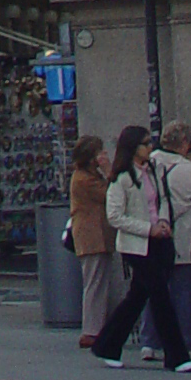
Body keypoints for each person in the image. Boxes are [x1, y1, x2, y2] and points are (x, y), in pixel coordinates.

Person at [91, 124, 191, 372]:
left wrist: (164, 222)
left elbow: (164, 199)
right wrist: (148, 229)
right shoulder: (122, 179)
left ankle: (107, 344)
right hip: (137, 246)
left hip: (158, 241)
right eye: (145, 144)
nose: (150, 148)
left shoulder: (156, 171)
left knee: (137, 297)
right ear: (133, 148)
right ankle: (176, 356)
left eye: (151, 143)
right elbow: (115, 216)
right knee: (160, 297)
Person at [155, 121, 191, 360]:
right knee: (185, 292)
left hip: (156, 234)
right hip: (184, 235)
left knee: (154, 290)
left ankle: (151, 342)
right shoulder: (188, 169)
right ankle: (187, 342)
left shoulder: (150, 162)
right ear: (185, 143)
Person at [69, 135, 118, 349]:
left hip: (98, 235)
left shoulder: (88, 175)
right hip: (91, 237)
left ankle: (97, 326)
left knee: (99, 281)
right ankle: (91, 329)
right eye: (100, 152)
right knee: (94, 282)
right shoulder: (83, 179)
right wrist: (109, 172)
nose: (104, 155)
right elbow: (110, 194)